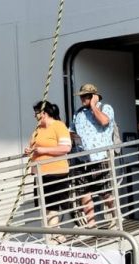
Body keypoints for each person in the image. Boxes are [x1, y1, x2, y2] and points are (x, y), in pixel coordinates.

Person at [69, 83, 116, 227]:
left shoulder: (105, 108)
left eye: (86, 96)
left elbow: (104, 121)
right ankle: (91, 223)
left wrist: (94, 106)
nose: (82, 99)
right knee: (84, 191)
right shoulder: (79, 112)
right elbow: (71, 129)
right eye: (81, 96)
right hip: (82, 157)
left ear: (94, 96)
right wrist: (73, 136)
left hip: (99, 156)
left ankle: (115, 216)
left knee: (104, 191)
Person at [24, 101, 72, 235]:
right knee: (45, 208)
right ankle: (55, 235)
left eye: (36, 113)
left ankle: (53, 236)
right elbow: (36, 147)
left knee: (52, 207)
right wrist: (30, 151)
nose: (35, 116)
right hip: (40, 173)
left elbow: (66, 148)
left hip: (55, 172)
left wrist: (42, 150)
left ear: (44, 113)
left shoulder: (58, 126)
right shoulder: (38, 129)